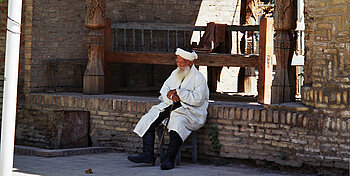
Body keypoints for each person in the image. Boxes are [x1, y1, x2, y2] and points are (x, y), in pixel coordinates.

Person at [127, 48, 209, 170]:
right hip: (171, 105)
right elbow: (164, 89)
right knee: (150, 117)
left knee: (177, 122)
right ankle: (148, 154)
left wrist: (179, 93)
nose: (179, 65)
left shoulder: (199, 78)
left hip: (191, 111)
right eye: (178, 62)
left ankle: (170, 159)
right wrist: (170, 95)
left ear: (190, 63)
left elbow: (197, 99)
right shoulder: (175, 73)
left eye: (182, 62)